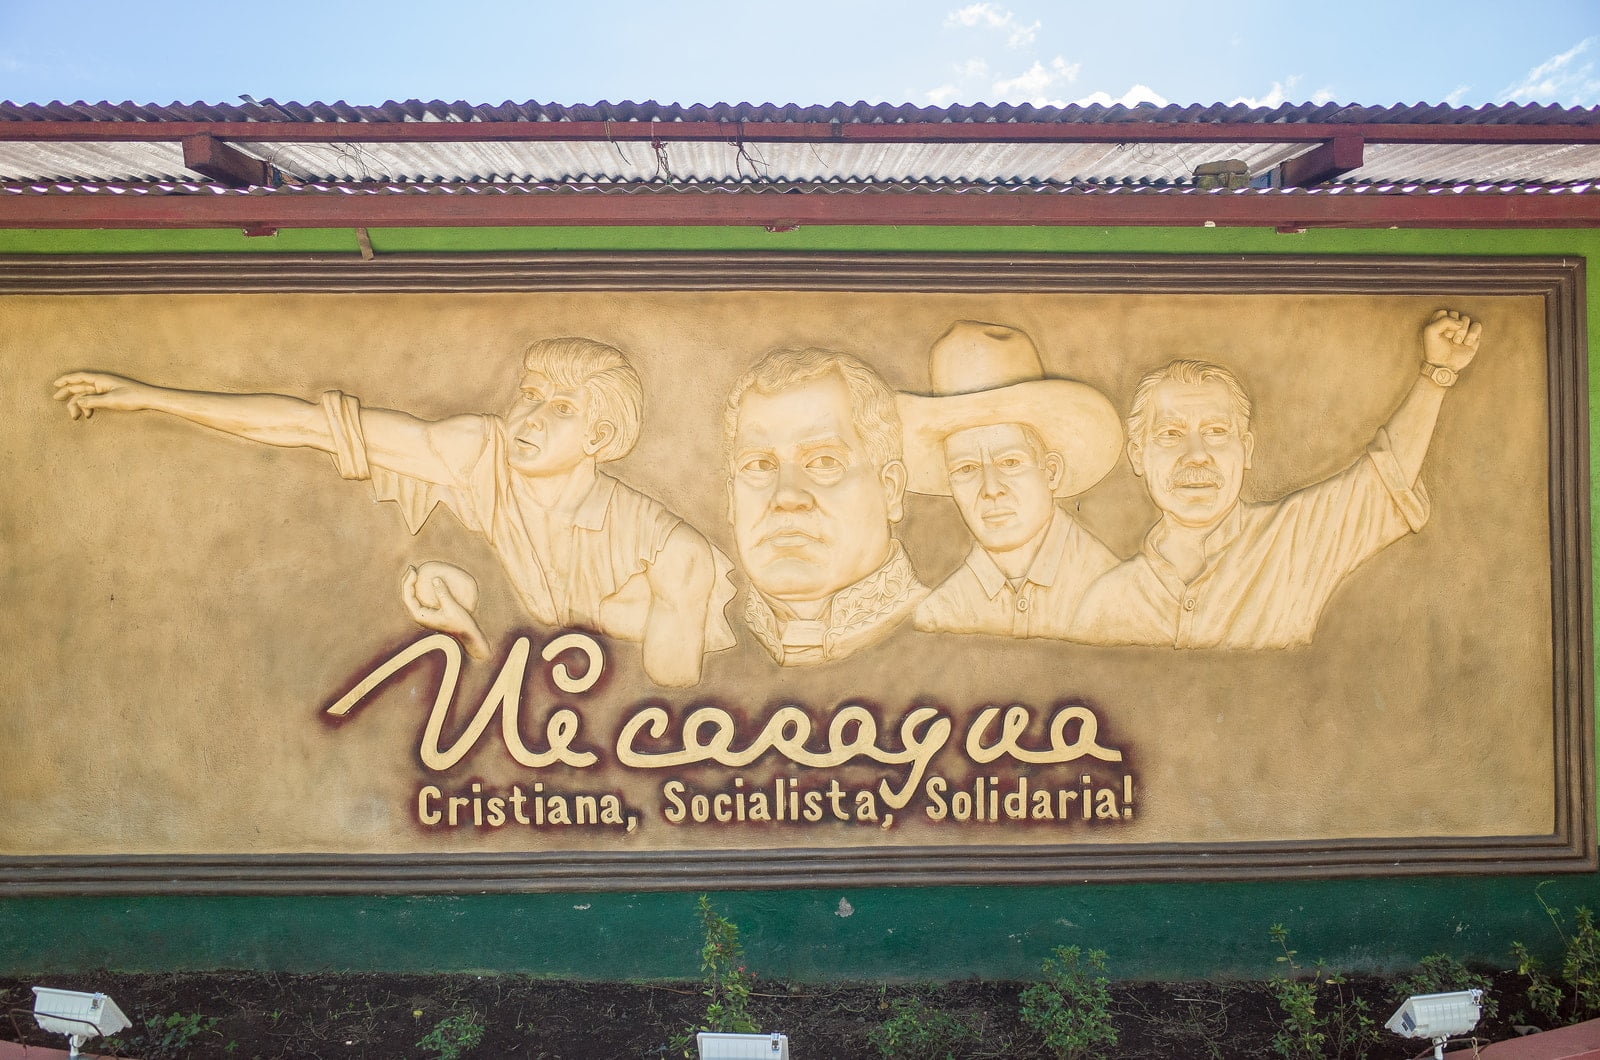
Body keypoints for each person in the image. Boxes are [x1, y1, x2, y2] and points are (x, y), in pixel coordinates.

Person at [53, 336, 736, 687]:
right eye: (528, 395)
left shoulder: (671, 557)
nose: (529, 417)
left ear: (601, 438)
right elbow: (309, 426)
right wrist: (149, 397)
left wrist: (476, 640)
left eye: (561, 408)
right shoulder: (480, 453)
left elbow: (668, 698)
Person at [1072, 309, 1482, 649]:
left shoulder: (1295, 541)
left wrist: (1437, 373)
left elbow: (1385, 478)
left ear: (1246, 450)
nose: (1196, 454)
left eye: (1216, 432)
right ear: (1138, 455)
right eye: (1170, 434)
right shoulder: (1107, 602)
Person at [897, 321, 1123, 638]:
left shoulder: (1114, 596)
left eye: (1010, 462)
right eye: (966, 469)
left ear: (1051, 471)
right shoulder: (941, 614)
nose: (991, 490)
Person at [724, 347, 928, 665]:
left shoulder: (961, 638)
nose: (786, 496)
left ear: (890, 490)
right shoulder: (704, 642)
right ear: (731, 500)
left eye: (824, 461)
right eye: (760, 465)